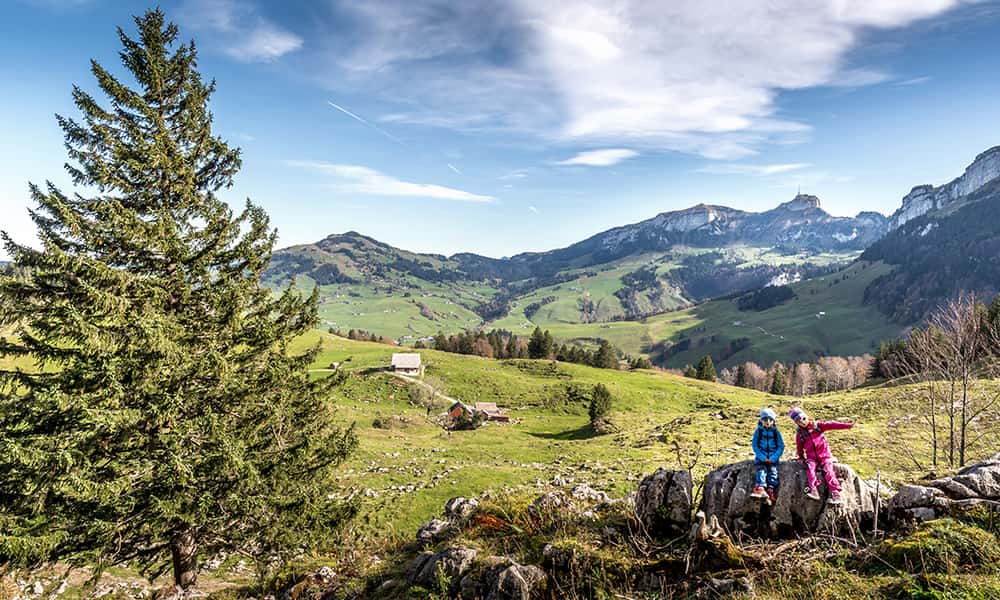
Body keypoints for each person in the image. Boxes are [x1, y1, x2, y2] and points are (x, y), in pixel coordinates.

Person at [788, 407, 854, 504]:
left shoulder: (817, 426)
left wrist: (847, 426)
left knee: (828, 470)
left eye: (803, 419)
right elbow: (799, 446)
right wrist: (801, 457)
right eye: (798, 421)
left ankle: (835, 493)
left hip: (824, 456)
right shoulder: (800, 434)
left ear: (806, 417)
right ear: (796, 423)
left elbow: (832, 425)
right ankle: (814, 490)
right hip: (812, 457)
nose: (802, 422)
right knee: (810, 469)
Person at [750, 407, 784, 504]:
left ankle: (770, 491)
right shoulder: (759, 431)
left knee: (773, 472)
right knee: (761, 470)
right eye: (765, 419)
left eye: (770, 420)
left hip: (773, 458)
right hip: (762, 457)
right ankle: (759, 488)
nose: (768, 422)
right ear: (761, 420)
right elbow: (755, 445)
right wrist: (762, 457)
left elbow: (781, 446)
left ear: (773, 421)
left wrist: (774, 458)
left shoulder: (776, 432)